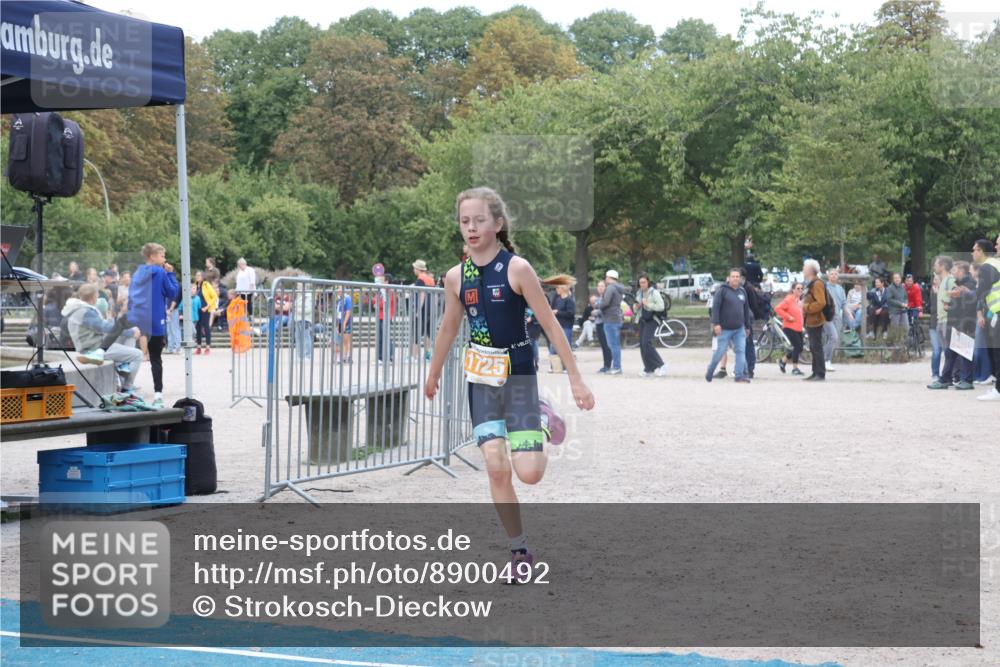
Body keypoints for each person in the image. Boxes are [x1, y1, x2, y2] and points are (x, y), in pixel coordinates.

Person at [424, 186, 594, 578]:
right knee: (496, 467)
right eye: (464, 221)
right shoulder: (455, 277)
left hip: (518, 379)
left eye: (479, 220)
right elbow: (448, 328)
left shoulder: (517, 269)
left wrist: (576, 379)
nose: (471, 228)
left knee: (529, 474)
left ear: (498, 224)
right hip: (482, 381)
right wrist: (433, 373)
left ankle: (542, 417)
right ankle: (519, 551)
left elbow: (550, 324)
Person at [127, 242, 180, 409]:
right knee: (156, 359)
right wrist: (171, 274)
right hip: (156, 320)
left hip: (139, 320)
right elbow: (173, 292)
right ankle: (158, 394)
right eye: (162, 256)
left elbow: (131, 295)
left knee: (130, 354)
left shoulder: (138, 272)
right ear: (153, 256)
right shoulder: (161, 272)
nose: (164, 259)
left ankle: (125, 389)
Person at [64, 284, 144, 393]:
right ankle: (127, 388)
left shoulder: (79, 309)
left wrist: (129, 331)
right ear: (94, 297)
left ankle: (123, 365)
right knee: (138, 354)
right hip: (93, 348)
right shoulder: (85, 312)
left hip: (95, 344)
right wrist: (130, 332)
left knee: (129, 337)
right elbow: (105, 327)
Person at [934, 261, 978, 391]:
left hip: (963, 325)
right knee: (950, 353)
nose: (952, 272)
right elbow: (959, 305)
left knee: (965, 354)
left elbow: (968, 308)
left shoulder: (969, 285)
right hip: (956, 324)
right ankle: (946, 379)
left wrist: (960, 326)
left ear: (961, 271)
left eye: (954, 270)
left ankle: (967, 381)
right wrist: (949, 307)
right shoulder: (959, 284)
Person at [705, 268, 753, 383]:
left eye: (737, 276)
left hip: (739, 329)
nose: (735, 278)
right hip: (724, 329)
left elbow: (746, 310)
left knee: (740, 351)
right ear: (729, 278)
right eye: (733, 276)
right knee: (720, 352)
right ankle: (710, 370)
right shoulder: (722, 291)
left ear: (740, 278)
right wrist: (716, 324)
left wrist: (747, 326)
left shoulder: (742, 291)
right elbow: (715, 308)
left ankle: (739, 376)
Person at [972, 235, 1000, 401]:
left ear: (981, 251)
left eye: (974, 250)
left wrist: (963, 295)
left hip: (997, 313)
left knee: (997, 353)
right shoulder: (996, 264)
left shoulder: (988, 267)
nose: (996, 247)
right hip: (994, 313)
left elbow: (980, 292)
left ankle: (998, 390)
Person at [634, 273, 667, 377]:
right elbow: (635, 308)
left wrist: (648, 304)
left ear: (648, 282)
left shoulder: (654, 292)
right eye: (640, 283)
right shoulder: (639, 293)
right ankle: (648, 368)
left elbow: (661, 307)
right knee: (642, 344)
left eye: (644, 282)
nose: (642, 284)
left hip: (652, 319)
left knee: (646, 342)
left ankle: (661, 365)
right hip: (642, 319)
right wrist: (636, 306)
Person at [928, 256, 955, 384]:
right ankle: (947, 378)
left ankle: (947, 378)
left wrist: (950, 306)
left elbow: (959, 298)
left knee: (949, 352)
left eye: (936, 264)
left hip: (947, 321)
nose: (934, 266)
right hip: (940, 321)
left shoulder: (950, 280)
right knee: (947, 352)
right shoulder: (943, 281)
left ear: (943, 266)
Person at [802, 259, 827, 381]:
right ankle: (815, 372)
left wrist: (805, 307)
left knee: (816, 347)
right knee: (813, 346)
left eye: (804, 267)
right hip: (811, 319)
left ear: (809, 270)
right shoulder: (812, 283)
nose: (803, 269)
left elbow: (821, 303)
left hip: (816, 319)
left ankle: (820, 373)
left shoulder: (817, 284)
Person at [774, 282, 805, 376]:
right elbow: (777, 308)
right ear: (793, 290)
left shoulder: (798, 300)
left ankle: (783, 361)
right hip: (789, 327)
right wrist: (788, 317)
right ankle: (795, 368)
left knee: (800, 348)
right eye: (798, 288)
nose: (800, 290)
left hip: (798, 327)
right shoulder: (789, 299)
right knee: (797, 347)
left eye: (801, 288)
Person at [599, 270, 625, 374]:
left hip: (610, 319)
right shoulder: (618, 288)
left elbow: (606, 302)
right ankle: (617, 366)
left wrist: (599, 305)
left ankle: (617, 367)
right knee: (615, 344)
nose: (605, 279)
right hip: (616, 318)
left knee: (613, 345)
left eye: (606, 277)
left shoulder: (610, 288)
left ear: (609, 277)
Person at [411, 259, 436, 360]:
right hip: (430, 308)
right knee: (427, 333)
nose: (413, 270)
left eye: (414, 268)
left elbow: (421, 295)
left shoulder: (420, 279)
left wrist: (418, 310)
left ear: (418, 269)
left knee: (417, 332)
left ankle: (414, 356)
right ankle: (427, 355)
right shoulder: (430, 279)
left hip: (423, 308)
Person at [548, 281, 576, 371]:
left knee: (565, 348)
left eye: (558, 288)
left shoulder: (569, 300)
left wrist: (558, 312)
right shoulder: (557, 299)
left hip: (566, 327)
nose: (556, 289)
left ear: (563, 289)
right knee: (554, 347)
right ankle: (554, 367)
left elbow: (571, 314)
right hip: (557, 326)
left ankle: (567, 367)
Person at [823, 268, 847, 371]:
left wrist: (849, 313)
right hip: (826, 317)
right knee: (833, 337)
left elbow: (844, 303)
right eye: (831, 274)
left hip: (837, 317)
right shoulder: (824, 287)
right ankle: (826, 360)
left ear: (838, 276)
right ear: (828, 276)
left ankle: (825, 360)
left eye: (835, 274)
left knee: (832, 339)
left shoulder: (840, 289)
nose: (833, 275)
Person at [194, 270, 218, 355]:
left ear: (203, 277)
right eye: (196, 275)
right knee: (198, 328)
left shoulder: (206, 284)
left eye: (199, 275)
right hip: (197, 309)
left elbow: (214, 296)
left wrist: (207, 307)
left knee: (206, 327)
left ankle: (207, 347)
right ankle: (198, 347)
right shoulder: (195, 285)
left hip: (206, 308)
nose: (197, 277)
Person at [886, 272, 910, 347]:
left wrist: (905, 303)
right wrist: (900, 304)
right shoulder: (890, 288)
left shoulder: (902, 287)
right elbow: (889, 300)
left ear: (900, 279)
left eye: (898, 278)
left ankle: (902, 344)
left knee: (906, 327)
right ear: (893, 279)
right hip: (894, 312)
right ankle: (892, 344)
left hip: (903, 311)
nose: (897, 279)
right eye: (895, 278)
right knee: (895, 328)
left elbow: (906, 297)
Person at [593, 281, 612, 372]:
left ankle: (608, 365)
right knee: (603, 346)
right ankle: (605, 365)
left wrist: (597, 312)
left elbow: (606, 310)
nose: (600, 288)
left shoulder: (606, 298)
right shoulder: (598, 298)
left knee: (606, 345)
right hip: (598, 323)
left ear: (605, 288)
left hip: (604, 323)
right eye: (598, 286)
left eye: (602, 286)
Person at [333, 285, 353, 363]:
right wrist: (338, 323)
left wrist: (344, 323)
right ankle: (344, 356)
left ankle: (346, 356)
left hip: (345, 322)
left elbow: (348, 311)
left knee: (345, 340)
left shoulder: (347, 298)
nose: (338, 290)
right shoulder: (340, 300)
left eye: (339, 288)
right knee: (339, 340)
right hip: (340, 322)